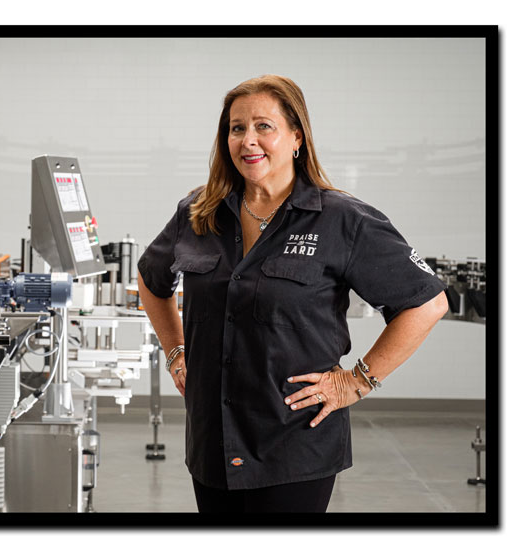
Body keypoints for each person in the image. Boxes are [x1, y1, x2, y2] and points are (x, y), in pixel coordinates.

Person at [136, 75, 449, 514]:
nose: (248, 140)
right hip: (212, 443)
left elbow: (428, 302)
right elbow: (152, 282)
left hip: (295, 445)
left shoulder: (343, 219)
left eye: (264, 126)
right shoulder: (197, 213)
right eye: (237, 128)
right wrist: (175, 353)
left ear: (297, 136)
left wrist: (356, 382)